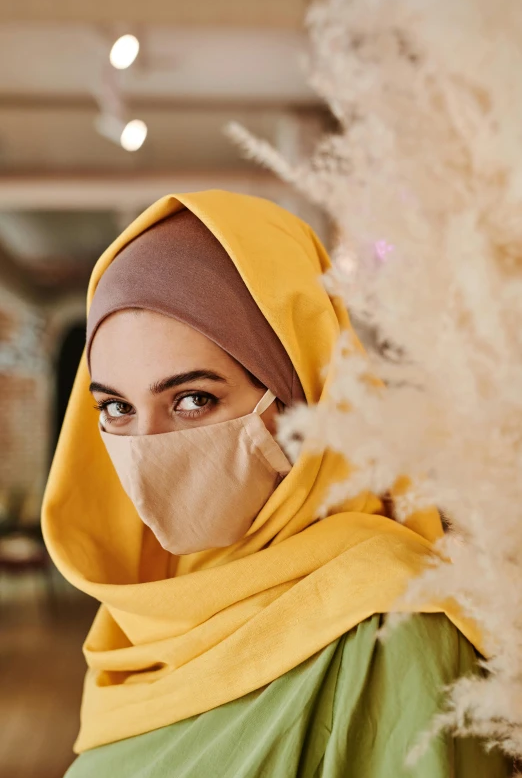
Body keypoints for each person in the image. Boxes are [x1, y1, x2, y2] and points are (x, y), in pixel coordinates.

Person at [43, 190, 509, 777]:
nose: (146, 445)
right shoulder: (145, 612)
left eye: (193, 399)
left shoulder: (394, 623)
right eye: (116, 408)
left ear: (302, 398)